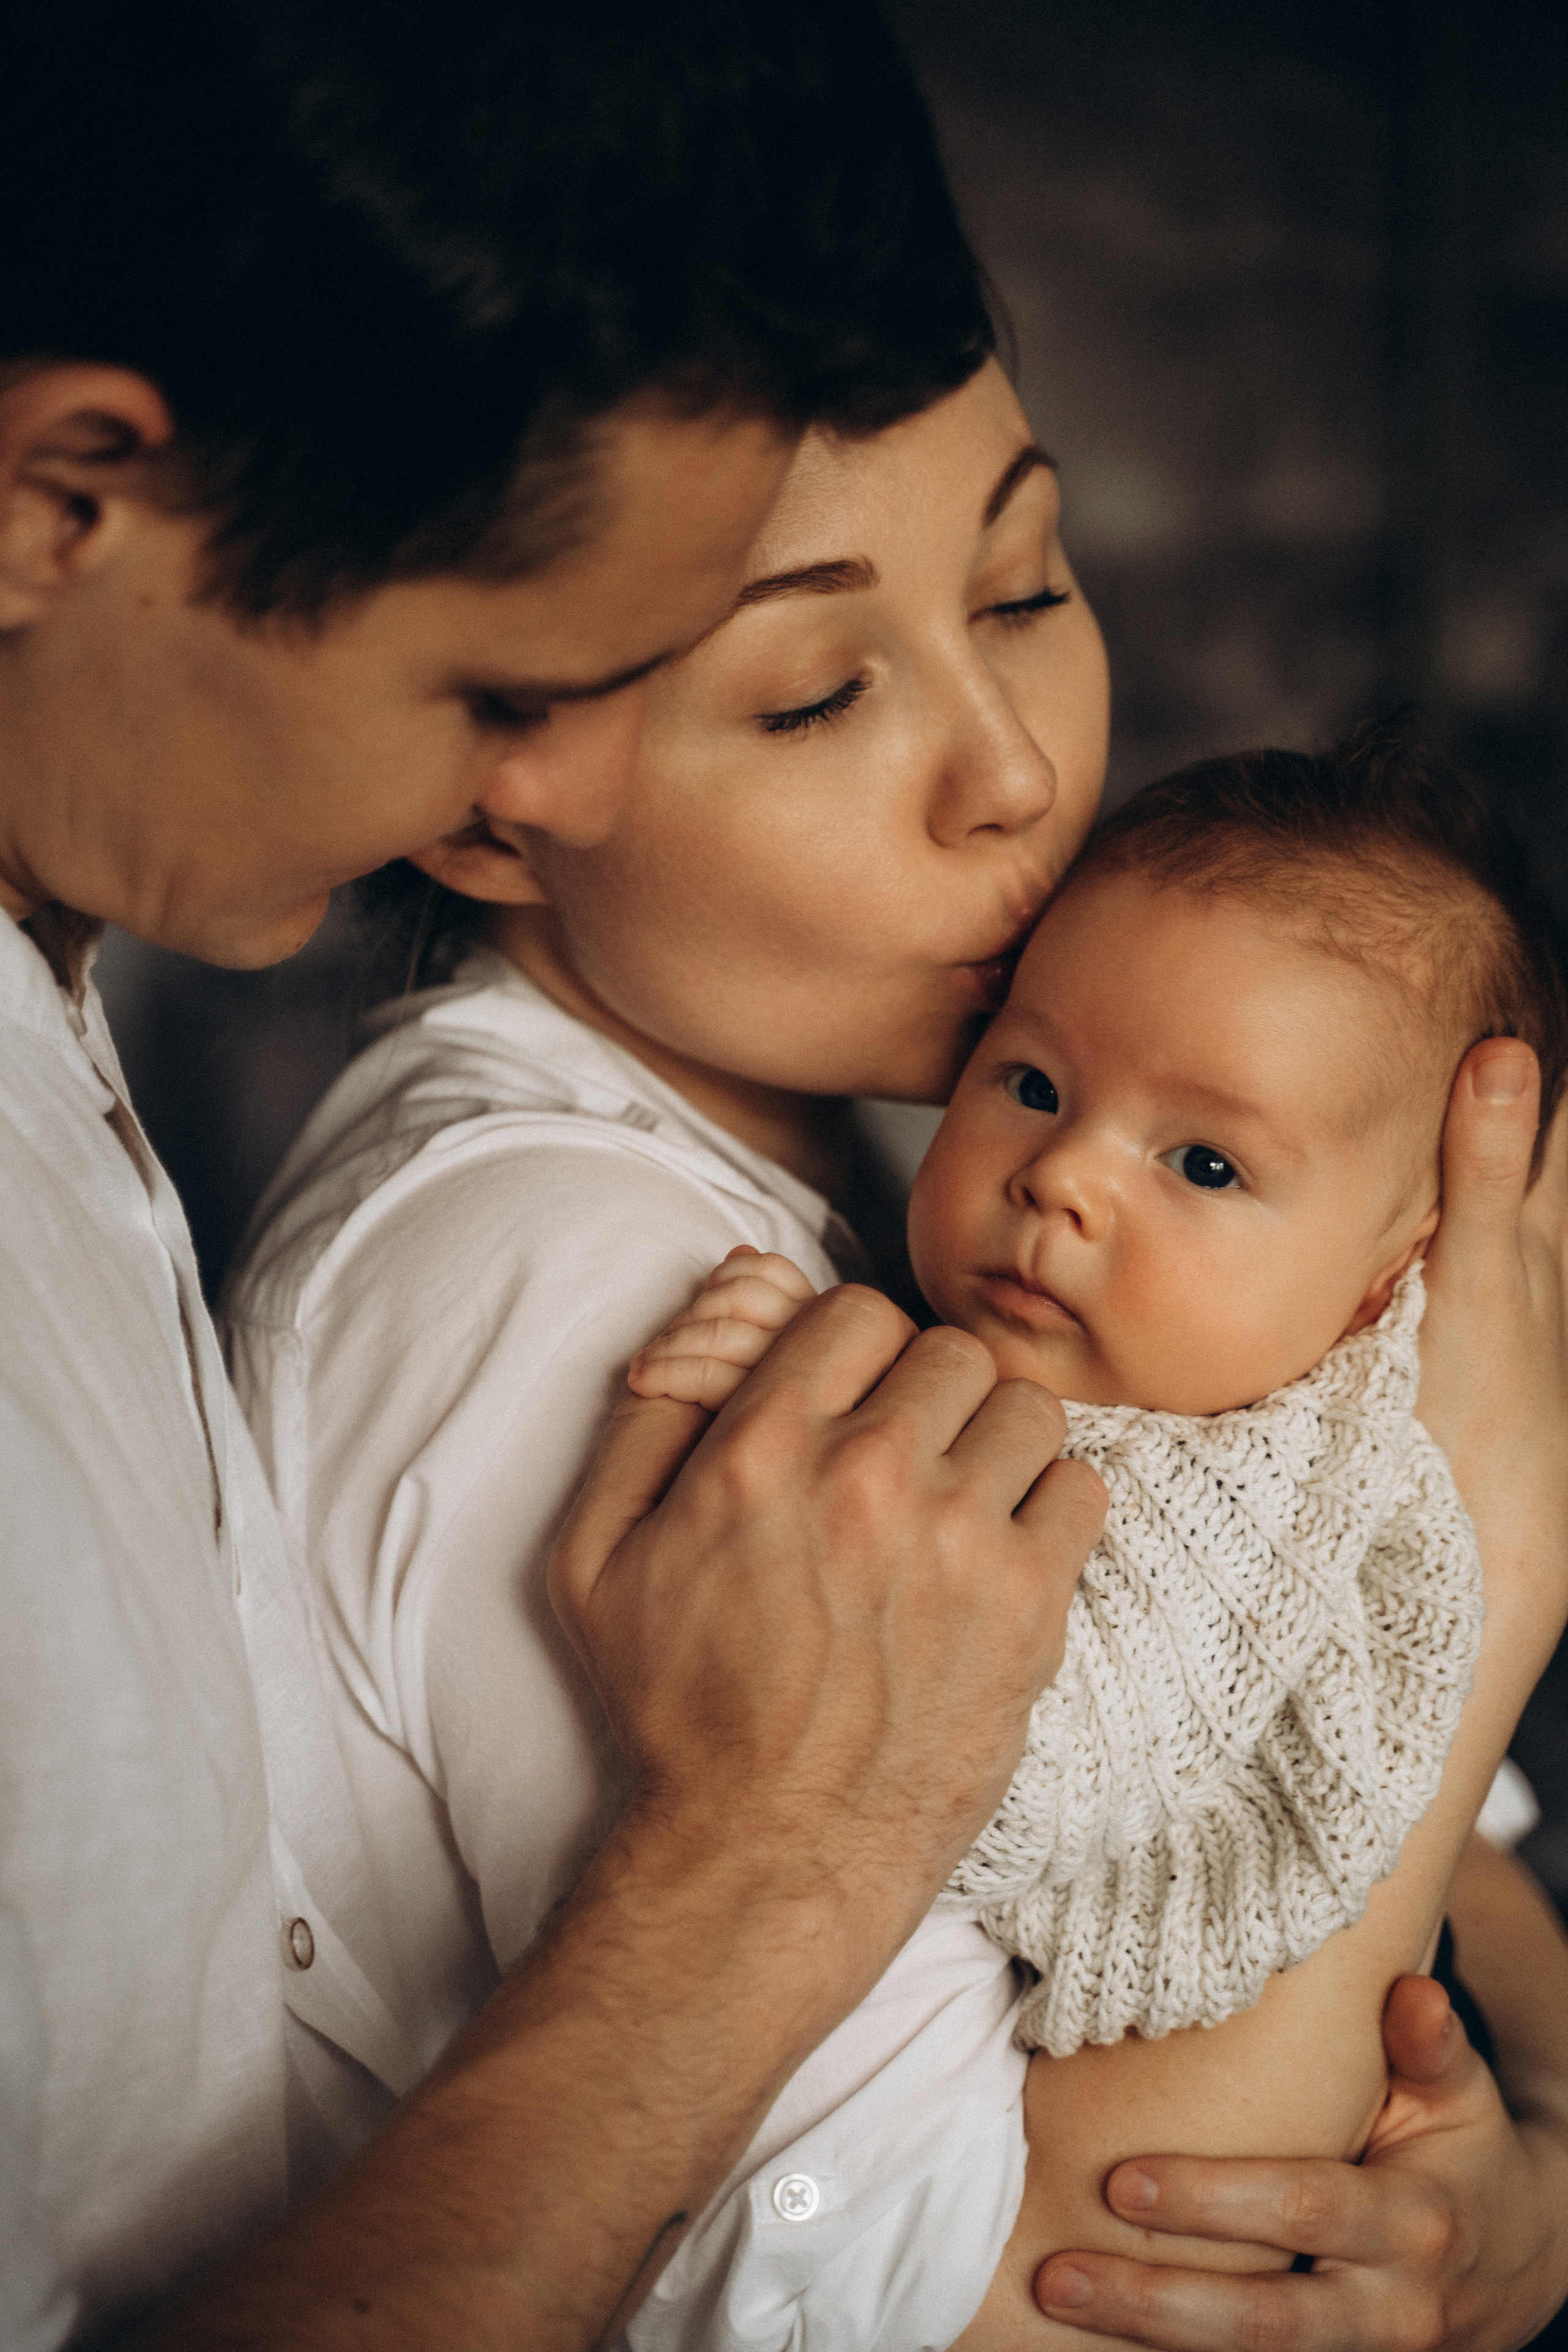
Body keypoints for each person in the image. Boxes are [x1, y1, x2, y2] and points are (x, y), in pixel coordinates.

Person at [223, 347, 1568, 2352]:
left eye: (1025, 589)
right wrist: (1485, 1566)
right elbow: (986, 2307)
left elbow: (1435, 1868)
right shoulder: (576, 1282)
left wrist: (1528, 2173)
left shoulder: (893, 1136)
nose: (1014, 769)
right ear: (492, 799)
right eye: (818, 690)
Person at [0, 6, 1114, 2345]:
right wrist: (766, 1863)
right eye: (504, 684)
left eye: (1026, 587)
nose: (535, 804)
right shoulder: (545, 1259)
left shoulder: (68, 1022)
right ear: (53, 504)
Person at [612, 728, 1562, 2345]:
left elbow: (991, 1790)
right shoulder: (967, 1374)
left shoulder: (1326, 1479)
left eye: (1202, 1162)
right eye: (1035, 1082)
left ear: (1387, 1280)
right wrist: (788, 1369)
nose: (1059, 1180)